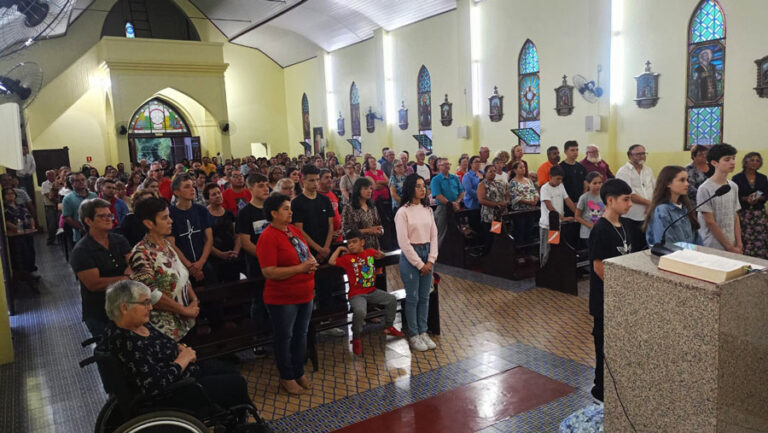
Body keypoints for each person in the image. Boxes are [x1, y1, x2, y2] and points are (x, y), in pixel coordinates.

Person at [100, 280, 269, 432]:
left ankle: (237, 421)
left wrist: (181, 348)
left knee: (227, 370)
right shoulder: (126, 341)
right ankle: (241, 424)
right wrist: (183, 359)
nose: (150, 307)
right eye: (145, 303)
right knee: (235, 383)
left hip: (184, 374)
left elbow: (165, 343)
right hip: (174, 391)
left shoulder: (136, 325)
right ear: (124, 307)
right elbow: (154, 384)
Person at [257, 194, 317, 395]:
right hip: (283, 298)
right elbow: (269, 271)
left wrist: (311, 261)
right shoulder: (268, 237)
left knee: (301, 334)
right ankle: (287, 376)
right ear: (273, 213)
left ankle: (299, 371)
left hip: (305, 292)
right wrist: (301, 268)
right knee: (285, 337)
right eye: (285, 208)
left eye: (289, 208)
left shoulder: (292, 230)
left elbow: (305, 252)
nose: (290, 211)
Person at [588, 178, 638, 402]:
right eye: (626, 200)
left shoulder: (627, 225)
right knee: (604, 346)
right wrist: (620, 290)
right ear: (610, 200)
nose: (630, 204)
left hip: (624, 296)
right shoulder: (600, 229)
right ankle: (601, 389)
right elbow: (599, 266)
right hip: (606, 299)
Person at [130, 197, 199, 341]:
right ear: (149, 223)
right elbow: (151, 295)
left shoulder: (166, 244)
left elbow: (183, 276)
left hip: (185, 321)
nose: (171, 221)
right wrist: (184, 310)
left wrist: (194, 300)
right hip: (164, 329)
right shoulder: (140, 253)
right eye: (164, 218)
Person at [329, 230, 404, 355]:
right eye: (349, 243)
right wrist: (340, 248)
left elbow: (380, 255)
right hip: (356, 295)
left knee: (391, 299)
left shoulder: (369, 252)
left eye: (354, 242)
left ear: (362, 242)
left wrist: (381, 254)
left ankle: (389, 326)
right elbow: (331, 262)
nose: (351, 245)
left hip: (372, 291)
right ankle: (356, 337)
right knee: (360, 311)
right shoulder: (347, 258)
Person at [69, 198, 132, 336]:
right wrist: (125, 277)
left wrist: (126, 274)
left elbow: (133, 264)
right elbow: (94, 284)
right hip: (100, 312)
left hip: (126, 305)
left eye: (109, 215)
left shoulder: (119, 240)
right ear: (88, 221)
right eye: (102, 216)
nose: (108, 219)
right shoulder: (82, 250)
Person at [395, 174, 438, 352]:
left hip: (427, 253)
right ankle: (413, 334)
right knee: (413, 298)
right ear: (410, 188)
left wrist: (431, 259)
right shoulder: (403, 212)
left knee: (425, 297)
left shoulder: (427, 209)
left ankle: (423, 331)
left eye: (424, 186)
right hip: (411, 256)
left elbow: (434, 235)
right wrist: (420, 264)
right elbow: (403, 242)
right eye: (418, 186)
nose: (423, 189)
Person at [168, 174, 215, 285]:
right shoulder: (170, 213)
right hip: (181, 265)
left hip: (202, 261)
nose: (192, 189)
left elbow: (209, 239)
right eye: (187, 186)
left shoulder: (201, 210)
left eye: (192, 186)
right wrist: (190, 266)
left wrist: (201, 263)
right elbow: (171, 244)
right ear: (176, 192)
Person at [697, 143, 742, 253]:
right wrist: (729, 247)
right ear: (714, 163)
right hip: (712, 244)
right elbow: (710, 222)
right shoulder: (705, 188)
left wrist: (739, 243)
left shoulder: (733, 186)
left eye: (733, 158)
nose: (732, 162)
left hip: (732, 242)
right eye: (727, 159)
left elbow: (735, 215)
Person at [644, 166, 701, 247]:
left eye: (687, 180)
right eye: (682, 180)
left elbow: (696, 238)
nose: (687, 184)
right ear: (668, 183)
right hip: (671, 257)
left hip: (690, 256)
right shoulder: (662, 210)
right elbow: (666, 244)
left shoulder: (685, 207)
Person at [292, 165, 334, 263]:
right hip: (308, 251)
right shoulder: (297, 203)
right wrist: (319, 249)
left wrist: (326, 248)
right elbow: (299, 230)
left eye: (317, 180)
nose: (315, 183)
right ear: (303, 180)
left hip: (327, 248)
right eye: (311, 180)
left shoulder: (325, 200)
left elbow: (331, 225)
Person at [615, 144, 655, 249]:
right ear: (629, 156)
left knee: (647, 245)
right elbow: (629, 194)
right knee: (634, 246)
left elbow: (655, 189)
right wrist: (649, 203)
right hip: (631, 216)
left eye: (643, 153)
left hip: (648, 215)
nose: (642, 156)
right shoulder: (623, 171)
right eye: (638, 154)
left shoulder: (648, 170)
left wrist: (652, 203)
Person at [732, 152, 768, 259]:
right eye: (752, 160)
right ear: (745, 162)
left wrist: (759, 198)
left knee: (761, 238)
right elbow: (735, 196)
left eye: (757, 160)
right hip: (744, 213)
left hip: (759, 214)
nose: (755, 163)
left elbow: (766, 194)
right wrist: (746, 199)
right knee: (745, 237)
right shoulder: (737, 178)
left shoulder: (763, 177)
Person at [539, 166, 577, 265]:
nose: (560, 181)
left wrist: (577, 214)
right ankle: (544, 269)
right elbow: (549, 206)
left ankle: (554, 269)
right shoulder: (545, 188)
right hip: (548, 225)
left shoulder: (561, 186)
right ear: (550, 177)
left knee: (556, 248)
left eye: (561, 179)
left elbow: (567, 200)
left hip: (557, 225)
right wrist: (562, 218)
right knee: (547, 250)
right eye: (558, 179)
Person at [204, 183, 242, 282]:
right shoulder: (204, 215)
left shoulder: (229, 213)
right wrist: (221, 254)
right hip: (214, 260)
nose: (218, 196)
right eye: (213, 194)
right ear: (207, 199)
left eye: (219, 193)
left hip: (232, 257)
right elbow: (205, 241)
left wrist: (236, 252)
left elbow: (237, 236)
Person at [3, 188, 38, 288]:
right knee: (19, 258)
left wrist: (32, 226)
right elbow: (6, 221)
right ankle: (20, 278)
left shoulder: (20, 206)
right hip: (16, 237)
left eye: (12, 193)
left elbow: (29, 216)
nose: (10, 195)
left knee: (30, 253)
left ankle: (29, 273)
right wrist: (16, 228)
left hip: (27, 234)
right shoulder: (5, 209)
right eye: (8, 194)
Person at [430, 158, 464, 249]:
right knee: (441, 231)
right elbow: (437, 195)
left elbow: (461, 192)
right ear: (438, 167)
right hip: (443, 207)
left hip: (456, 206)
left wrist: (457, 202)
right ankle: (437, 253)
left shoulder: (455, 178)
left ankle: (455, 250)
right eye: (444, 164)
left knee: (457, 229)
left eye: (448, 164)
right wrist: (450, 203)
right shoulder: (436, 179)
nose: (447, 166)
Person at [342, 177, 383, 250]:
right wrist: (368, 230)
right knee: (361, 261)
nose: (369, 191)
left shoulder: (372, 207)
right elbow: (346, 231)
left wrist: (380, 231)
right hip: (358, 249)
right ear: (358, 190)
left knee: (371, 261)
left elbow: (379, 225)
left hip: (373, 247)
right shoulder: (349, 208)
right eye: (365, 188)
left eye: (370, 188)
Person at [477, 165, 509, 252]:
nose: (493, 173)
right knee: (491, 237)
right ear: (485, 173)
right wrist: (497, 204)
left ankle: (499, 254)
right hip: (490, 215)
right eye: (490, 171)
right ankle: (489, 256)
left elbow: (506, 193)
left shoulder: (499, 183)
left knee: (500, 236)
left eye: (494, 171)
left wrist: (506, 201)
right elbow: (481, 200)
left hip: (499, 214)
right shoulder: (482, 184)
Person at [62, 172, 97, 243]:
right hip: (79, 234)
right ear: (72, 184)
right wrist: (82, 228)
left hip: (96, 231)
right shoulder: (68, 198)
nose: (81, 182)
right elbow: (67, 217)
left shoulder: (94, 195)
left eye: (83, 180)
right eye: (77, 180)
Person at [508, 161, 539, 244]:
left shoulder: (528, 180)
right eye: (520, 167)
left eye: (524, 167)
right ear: (515, 170)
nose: (523, 169)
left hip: (530, 210)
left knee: (529, 230)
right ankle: (520, 253)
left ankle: (528, 252)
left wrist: (535, 199)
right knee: (520, 231)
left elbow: (534, 191)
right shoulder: (512, 182)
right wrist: (529, 202)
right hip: (519, 211)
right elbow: (515, 197)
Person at [574, 172, 605, 250]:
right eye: (594, 183)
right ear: (588, 184)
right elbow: (577, 216)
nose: (598, 185)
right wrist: (590, 225)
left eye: (600, 183)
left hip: (601, 231)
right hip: (588, 233)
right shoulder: (584, 198)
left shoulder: (604, 196)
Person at [560, 140, 587, 217]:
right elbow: (561, 189)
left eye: (577, 150)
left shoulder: (582, 168)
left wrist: (581, 201)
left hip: (580, 204)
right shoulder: (561, 168)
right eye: (572, 150)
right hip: (566, 204)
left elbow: (585, 187)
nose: (575, 152)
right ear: (565, 152)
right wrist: (571, 204)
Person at [318, 168, 343, 244]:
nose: (329, 180)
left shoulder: (333, 194)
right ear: (319, 180)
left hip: (339, 237)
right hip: (324, 239)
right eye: (326, 177)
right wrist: (329, 234)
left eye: (330, 177)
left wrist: (341, 228)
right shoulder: (316, 197)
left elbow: (339, 212)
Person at [40, 170, 60, 245]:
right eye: (49, 175)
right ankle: (51, 240)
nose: (51, 176)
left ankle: (60, 240)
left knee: (59, 223)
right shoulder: (44, 184)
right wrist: (58, 202)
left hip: (58, 205)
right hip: (50, 206)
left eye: (52, 175)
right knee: (52, 224)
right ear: (47, 176)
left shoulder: (58, 182)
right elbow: (49, 196)